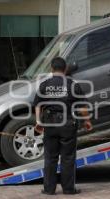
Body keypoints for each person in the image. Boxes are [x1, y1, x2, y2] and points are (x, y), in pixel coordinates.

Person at [33, 57, 93, 195]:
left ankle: (49, 189)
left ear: (51, 69)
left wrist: (38, 122)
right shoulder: (72, 84)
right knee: (68, 157)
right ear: (65, 69)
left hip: (49, 123)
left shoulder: (44, 84)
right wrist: (87, 121)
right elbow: (82, 106)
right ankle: (68, 189)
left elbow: (38, 105)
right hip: (67, 123)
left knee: (50, 158)